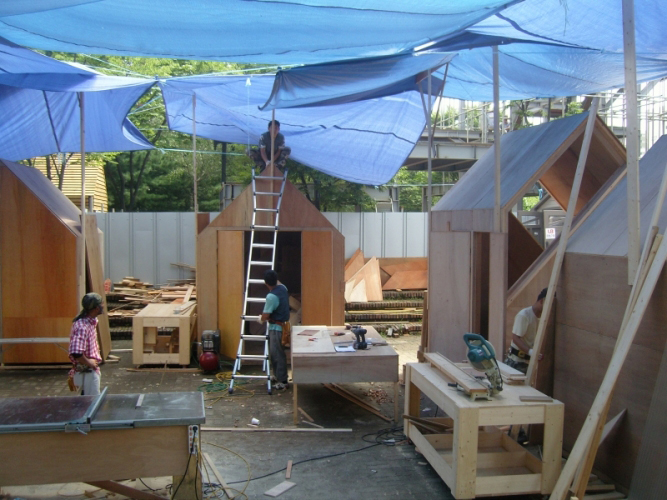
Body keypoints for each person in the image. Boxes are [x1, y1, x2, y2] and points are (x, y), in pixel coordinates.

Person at [68, 293, 104, 395]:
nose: (103, 306)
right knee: (91, 400)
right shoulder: (82, 326)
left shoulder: (91, 322)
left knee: (90, 400)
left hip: (90, 371)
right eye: (102, 304)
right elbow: (76, 352)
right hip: (87, 373)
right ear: (97, 308)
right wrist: (89, 362)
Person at [260, 269, 290, 390]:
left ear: (266, 283)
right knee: (276, 353)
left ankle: (283, 381)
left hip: (276, 328)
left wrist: (260, 318)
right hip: (283, 326)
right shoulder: (283, 288)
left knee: (277, 354)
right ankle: (277, 375)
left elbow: (266, 315)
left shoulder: (271, 296)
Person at [505, 287, 547, 374]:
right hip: (516, 362)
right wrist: (530, 352)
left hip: (529, 363)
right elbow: (515, 338)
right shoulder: (524, 315)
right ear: (541, 301)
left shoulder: (544, 318)